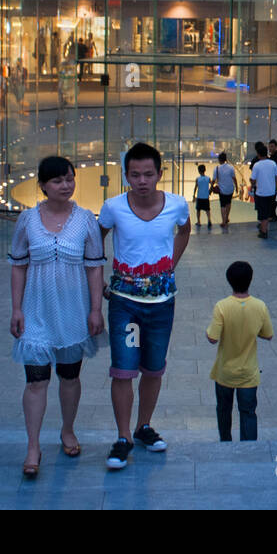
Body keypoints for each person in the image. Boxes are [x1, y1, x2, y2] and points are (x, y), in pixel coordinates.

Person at [8, 156, 105, 478]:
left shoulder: (86, 220)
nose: (65, 185)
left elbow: (94, 267)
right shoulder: (27, 220)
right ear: (43, 186)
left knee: (69, 376)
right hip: (36, 312)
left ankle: (67, 429)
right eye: (57, 181)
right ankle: (33, 446)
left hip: (73, 312)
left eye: (69, 179)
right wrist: (17, 308)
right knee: (36, 381)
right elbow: (18, 265)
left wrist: (95, 309)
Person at [98, 142, 191, 471]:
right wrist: (100, 287)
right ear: (125, 176)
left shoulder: (177, 205)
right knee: (123, 369)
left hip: (163, 303)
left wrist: (170, 265)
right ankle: (123, 437)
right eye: (134, 175)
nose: (141, 181)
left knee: (153, 368)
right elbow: (97, 240)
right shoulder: (113, 207)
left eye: (148, 174)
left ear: (160, 174)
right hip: (124, 303)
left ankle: (143, 427)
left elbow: (185, 231)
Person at [205, 260, 274, 441]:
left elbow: (213, 338)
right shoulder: (260, 306)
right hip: (249, 374)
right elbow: (268, 334)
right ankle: (249, 448)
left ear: (229, 280)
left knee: (223, 410)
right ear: (250, 280)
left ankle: (226, 442)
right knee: (248, 412)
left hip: (224, 372)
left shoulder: (222, 306)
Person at [249, 141, 277, 239]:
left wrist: (253, 184)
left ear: (258, 154)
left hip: (260, 193)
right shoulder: (272, 163)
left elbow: (253, 179)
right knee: (267, 212)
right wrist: (276, 188)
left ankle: (264, 231)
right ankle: (264, 230)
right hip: (271, 192)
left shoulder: (256, 165)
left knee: (262, 213)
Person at [215, 152, 237, 230]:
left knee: (222, 205)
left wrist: (211, 189)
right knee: (228, 203)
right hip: (230, 189)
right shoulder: (231, 168)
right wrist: (236, 187)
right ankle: (227, 217)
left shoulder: (217, 168)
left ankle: (223, 221)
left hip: (222, 190)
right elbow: (234, 178)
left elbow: (214, 180)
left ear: (219, 160)